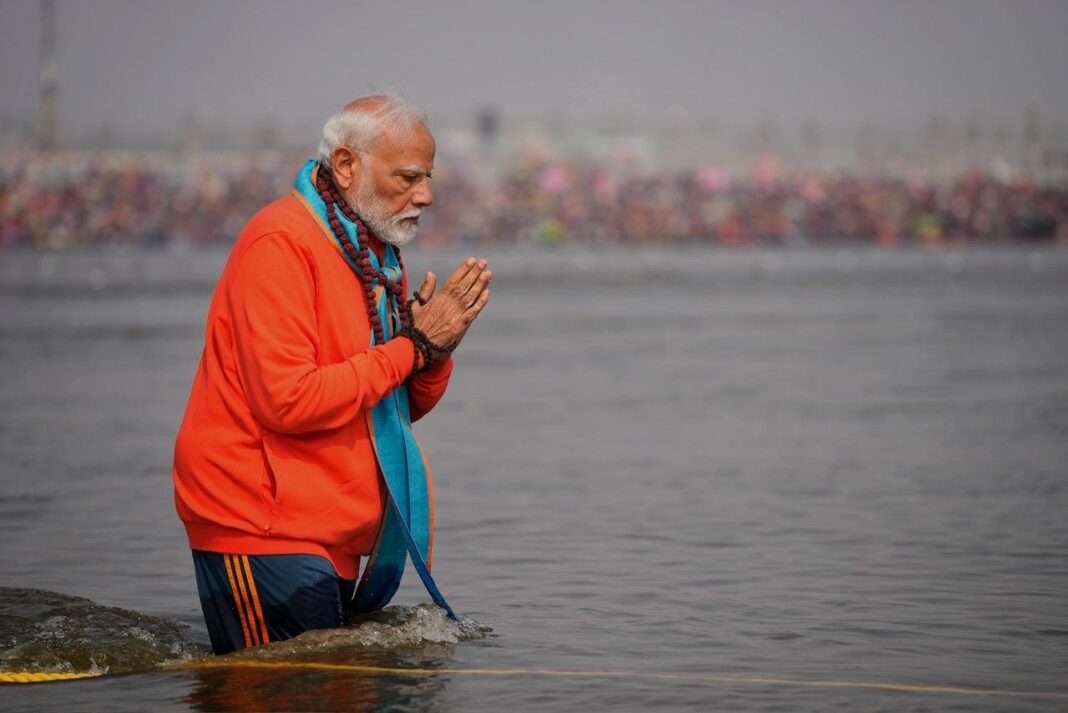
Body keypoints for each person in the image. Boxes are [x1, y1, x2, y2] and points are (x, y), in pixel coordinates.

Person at [172, 95, 492, 655]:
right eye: (410, 177)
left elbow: (387, 405)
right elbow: (289, 401)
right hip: (260, 527)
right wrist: (413, 347)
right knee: (296, 691)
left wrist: (433, 354)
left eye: (429, 177)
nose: (428, 194)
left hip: (331, 533)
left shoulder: (370, 250)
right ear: (347, 166)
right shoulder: (282, 242)